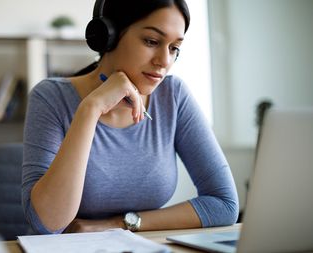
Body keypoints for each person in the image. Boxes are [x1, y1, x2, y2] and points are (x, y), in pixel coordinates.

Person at [22, 0, 239, 234]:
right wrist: (90, 109)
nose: (164, 61)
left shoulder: (173, 96)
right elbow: (47, 223)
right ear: (108, 36)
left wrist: (119, 224)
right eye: (152, 41)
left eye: (174, 48)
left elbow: (224, 204)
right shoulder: (51, 97)